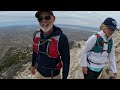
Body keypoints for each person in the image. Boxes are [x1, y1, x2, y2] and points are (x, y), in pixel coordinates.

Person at [31, 11, 70, 79]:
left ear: (53, 19)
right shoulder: (36, 35)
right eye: (40, 19)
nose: (43, 21)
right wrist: (33, 66)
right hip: (38, 73)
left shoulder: (61, 38)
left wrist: (64, 77)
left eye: (47, 17)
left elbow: (66, 60)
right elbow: (35, 52)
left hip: (53, 76)